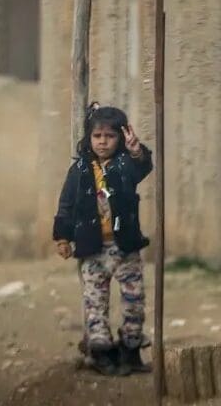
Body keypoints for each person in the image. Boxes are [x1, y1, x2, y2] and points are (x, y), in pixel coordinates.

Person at [53, 102, 153, 376]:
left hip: (125, 249)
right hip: (93, 250)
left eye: (109, 136)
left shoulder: (125, 165)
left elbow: (142, 168)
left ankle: (130, 352)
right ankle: (101, 355)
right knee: (95, 303)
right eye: (97, 136)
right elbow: (66, 205)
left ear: (120, 138)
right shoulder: (80, 171)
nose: (103, 142)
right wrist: (63, 237)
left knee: (134, 301)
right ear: (89, 138)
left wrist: (136, 152)